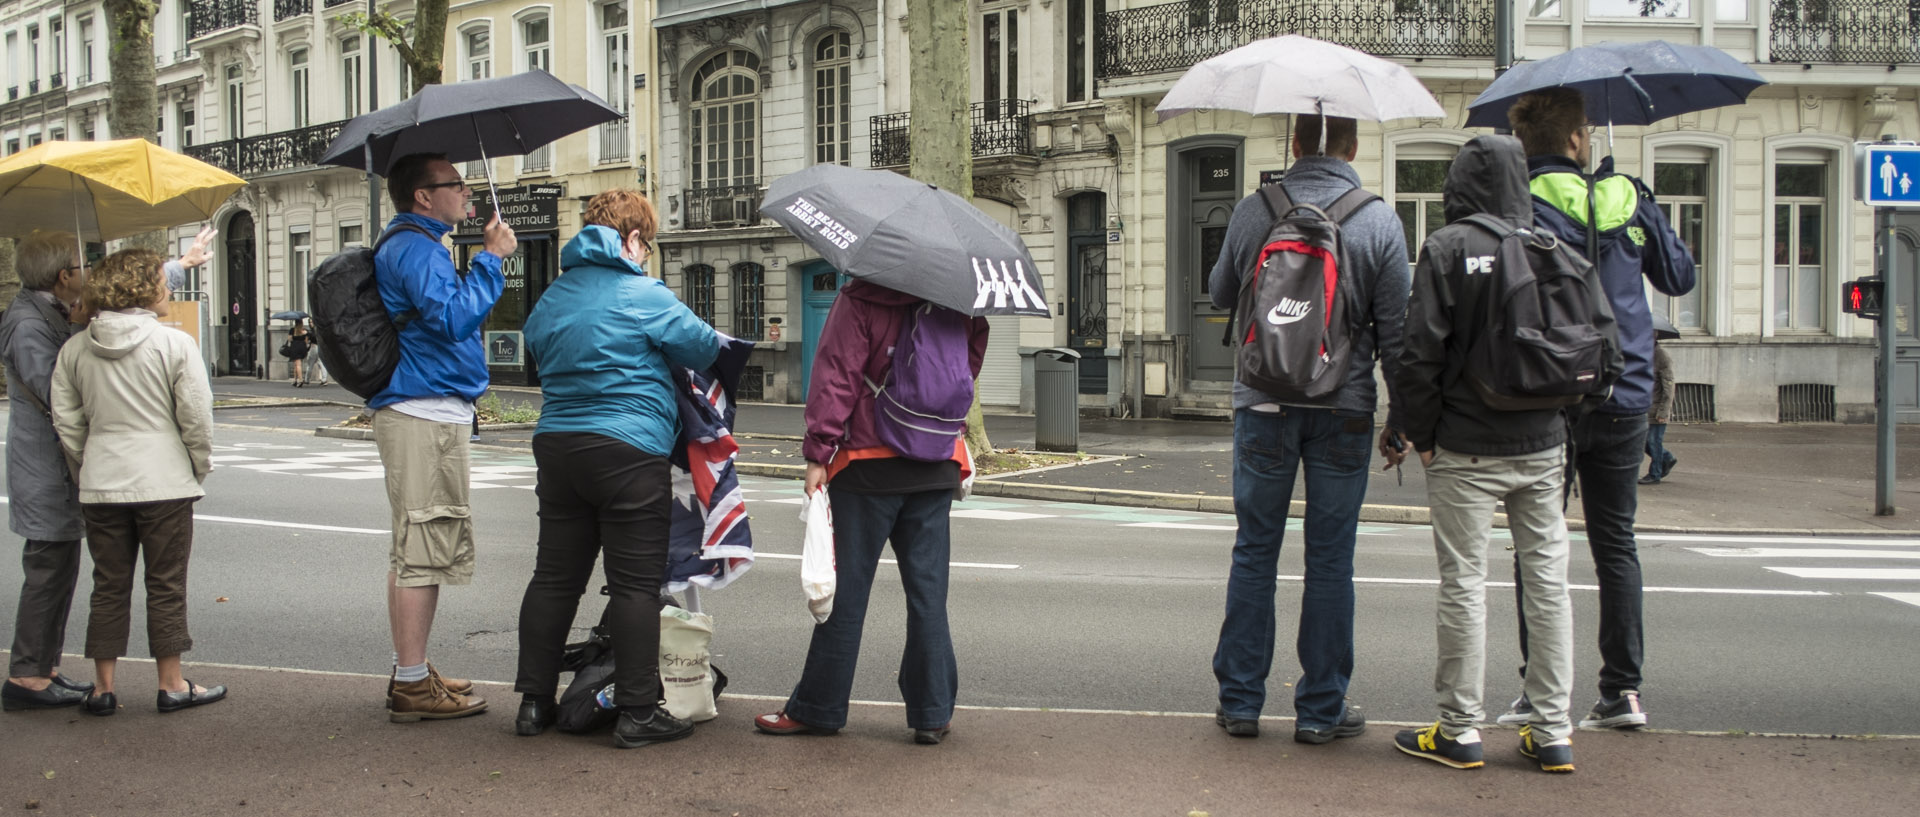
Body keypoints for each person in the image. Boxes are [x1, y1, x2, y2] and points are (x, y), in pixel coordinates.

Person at [1393, 135, 1617, 773]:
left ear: (1459, 186)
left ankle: (1459, 729)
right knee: (1547, 582)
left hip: (1465, 445)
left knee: (1463, 582)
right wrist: (1564, 417)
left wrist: (1422, 435)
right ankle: (1552, 732)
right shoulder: (1557, 248)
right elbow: (1606, 352)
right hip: (1543, 444)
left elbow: (1419, 356)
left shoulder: (1447, 248)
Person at [1205, 114, 1410, 744]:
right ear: (1352, 146)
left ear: (1294, 144)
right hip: (1343, 408)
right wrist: (1399, 420)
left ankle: (1241, 702)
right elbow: (1397, 332)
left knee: (1255, 550)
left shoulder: (1254, 209)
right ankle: (1321, 709)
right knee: (1329, 560)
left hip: (1262, 401)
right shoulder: (1378, 220)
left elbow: (1218, 294)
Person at [1501, 88, 1695, 731]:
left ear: (1524, 144)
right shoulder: (1626, 196)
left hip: (1544, 395)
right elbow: (1678, 277)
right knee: (1616, 543)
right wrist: (1628, 205)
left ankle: (1537, 691)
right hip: (1626, 389)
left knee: (1536, 544)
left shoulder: (1516, 203)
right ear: (1580, 139)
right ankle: (1623, 693)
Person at [512, 190, 720, 748]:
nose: (647, 254)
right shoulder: (642, 292)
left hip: (557, 446)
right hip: (628, 449)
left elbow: (537, 347)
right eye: (646, 243)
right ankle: (637, 712)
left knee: (554, 576)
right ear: (630, 240)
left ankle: (533, 703)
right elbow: (702, 347)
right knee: (634, 586)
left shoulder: (551, 298)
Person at [754, 280, 987, 745]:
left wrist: (818, 452)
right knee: (928, 596)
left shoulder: (860, 297)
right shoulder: (957, 300)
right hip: (937, 461)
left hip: (867, 464)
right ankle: (932, 713)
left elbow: (836, 376)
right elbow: (968, 365)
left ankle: (819, 708)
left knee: (847, 594)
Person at [369, 152, 514, 723]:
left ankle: (413, 667)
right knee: (423, 549)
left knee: (414, 547)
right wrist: (490, 261)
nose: (467, 193)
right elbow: (453, 319)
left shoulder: (412, 244)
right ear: (423, 197)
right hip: (423, 409)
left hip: (423, 406)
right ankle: (410, 682)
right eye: (455, 184)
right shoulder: (417, 248)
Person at [49, 248, 221, 716]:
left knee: (108, 583)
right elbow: (196, 420)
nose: (169, 288)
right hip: (164, 480)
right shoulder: (174, 344)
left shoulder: (74, 349)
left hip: (102, 481)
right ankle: (171, 682)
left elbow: (67, 424)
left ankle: (103, 686)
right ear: (145, 289)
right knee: (166, 584)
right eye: (162, 282)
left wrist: (90, 465)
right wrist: (196, 467)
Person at [1, 232, 96, 712]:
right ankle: (28, 676)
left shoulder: (42, 313)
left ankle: (44, 665)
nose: (87, 272)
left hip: (51, 465)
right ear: (63, 276)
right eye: (82, 265)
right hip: (43, 465)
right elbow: (54, 389)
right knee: (46, 569)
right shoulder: (27, 323)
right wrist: (82, 335)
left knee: (58, 569)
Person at [1641, 342, 1676, 485]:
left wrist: (1663, 411)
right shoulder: (1644, 353)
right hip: (1645, 407)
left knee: (1654, 442)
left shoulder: (1661, 356)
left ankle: (1655, 474)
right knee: (1643, 442)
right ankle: (1667, 458)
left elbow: (1669, 386)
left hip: (1657, 409)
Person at [283, 319, 313, 386]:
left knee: (298, 364)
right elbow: (306, 341)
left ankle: (300, 380)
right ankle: (295, 379)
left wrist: (294, 338)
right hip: (302, 347)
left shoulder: (292, 330)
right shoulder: (305, 331)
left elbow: (289, 339)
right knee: (296, 364)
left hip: (295, 347)